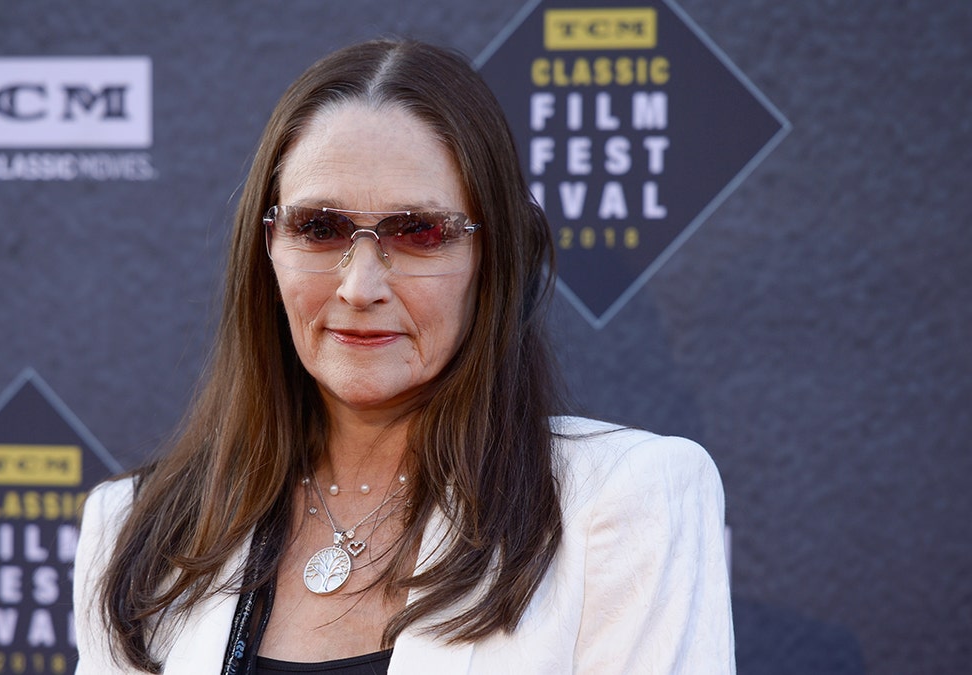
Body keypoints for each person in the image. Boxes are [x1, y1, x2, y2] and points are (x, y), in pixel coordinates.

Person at [73, 38, 734, 674]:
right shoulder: (138, 530)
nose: (360, 287)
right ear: (267, 247)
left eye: (418, 232)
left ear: (492, 257)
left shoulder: (622, 503)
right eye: (320, 227)